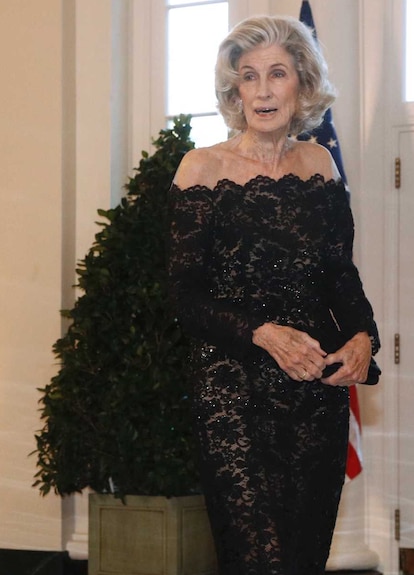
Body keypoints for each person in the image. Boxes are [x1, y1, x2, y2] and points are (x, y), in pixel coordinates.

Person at [168, 15, 380, 575]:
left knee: (304, 557)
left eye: (277, 73)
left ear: (301, 83)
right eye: (249, 76)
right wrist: (262, 333)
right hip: (231, 387)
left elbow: (339, 274)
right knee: (257, 559)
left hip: (314, 390)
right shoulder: (201, 169)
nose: (263, 90)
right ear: (234, 90)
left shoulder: (320, 164)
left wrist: (362, 336)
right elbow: (183, 297)